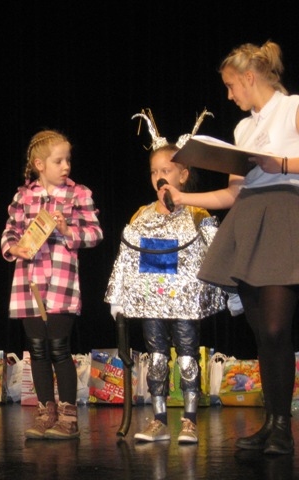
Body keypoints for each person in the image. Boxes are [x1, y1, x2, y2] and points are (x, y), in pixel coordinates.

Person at [163, 40, 299, 455]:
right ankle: (273, 423)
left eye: (230, 85)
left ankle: (283, 428)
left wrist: (282, 164)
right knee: (261, 332)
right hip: (249, 219)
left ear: (248, 77)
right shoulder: (243, 129)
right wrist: (182, 198)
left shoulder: (293, 108)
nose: (229, 95)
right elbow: (232, 194)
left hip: (284, 214)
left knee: (276, 327)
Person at [105, 110, 227, 444]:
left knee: (187, 357)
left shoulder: (197, 213)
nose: (159, 177)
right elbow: (126, 256)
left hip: (184, 302)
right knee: (157, 358)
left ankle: (189, 419)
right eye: (154, 171)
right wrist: (117, 297)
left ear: (183, 174)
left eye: (167, 170)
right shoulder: (142, 216)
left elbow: (218, 251)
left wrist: (231, 290)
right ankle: (159, 419)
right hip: (151, 302)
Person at [1, 129, 103, 439]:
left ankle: (68, 417)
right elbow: (10, 231)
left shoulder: (78, 194)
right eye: (58, 161)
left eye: (67, 160)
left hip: (61, 282)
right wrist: (13, 248)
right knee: (37, 349)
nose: (66, 166)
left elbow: (95, 233)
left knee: (59, 347)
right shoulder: (23, 196)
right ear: (39, 164)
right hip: (29, 283)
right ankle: (46, 413)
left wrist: (68, 231)